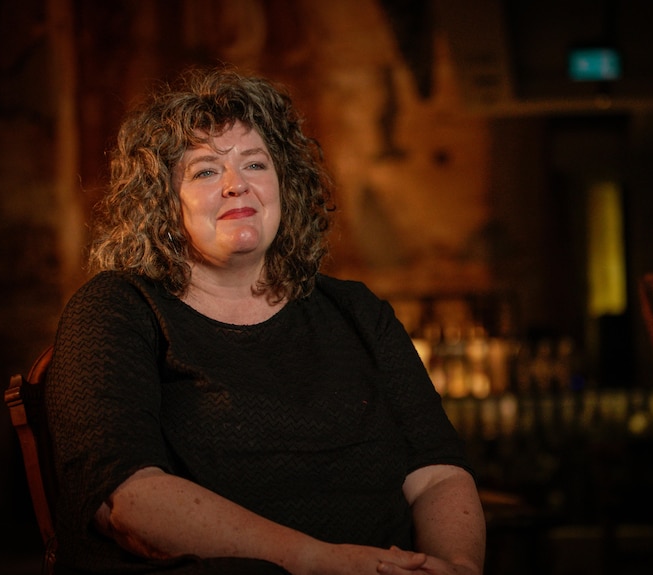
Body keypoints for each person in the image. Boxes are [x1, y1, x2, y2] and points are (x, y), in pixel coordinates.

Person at [45, 66, 485, 575]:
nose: (237, 186)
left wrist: (455, 565)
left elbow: (437, 474)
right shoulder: (116, 310)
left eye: (255, 164)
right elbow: (128, 500)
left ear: (285, 186)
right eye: (205, 170)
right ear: (162, 204)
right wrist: (321, 562)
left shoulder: (358, 311)